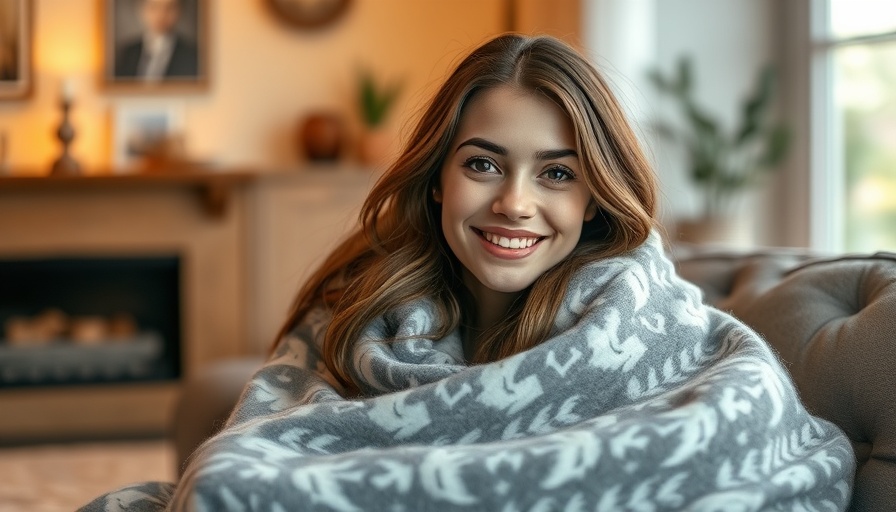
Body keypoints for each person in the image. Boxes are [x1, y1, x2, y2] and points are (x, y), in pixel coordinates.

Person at [80, 33, 854, 511]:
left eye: (556, 174)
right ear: (438, 178)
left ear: (595, 196)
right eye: (484, 164)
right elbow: (256, 446)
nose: (514, 204)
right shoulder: (369, 301)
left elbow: (738, 428)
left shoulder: (643, 317)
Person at [114, 0, 198, 81]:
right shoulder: (128, 53)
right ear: (141, 9)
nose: (161, 15)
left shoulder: (191, 54)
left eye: (170, 7)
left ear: (180, 10)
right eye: (154, 6)